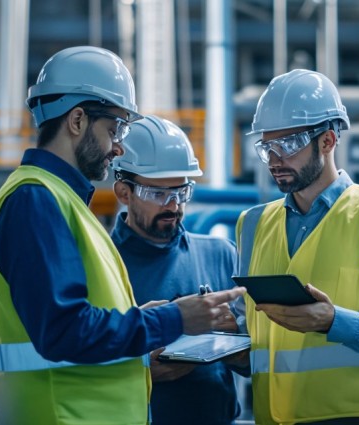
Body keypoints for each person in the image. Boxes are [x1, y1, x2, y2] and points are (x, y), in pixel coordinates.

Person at [0, 46, 245, 425]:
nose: (119, 146)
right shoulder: (35, 200)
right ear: (76, 120)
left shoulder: (62, 202)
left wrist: (141, 318)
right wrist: (173, 319)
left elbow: (69, 322)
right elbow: (63, 331)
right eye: (115, 129)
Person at [234, 69, 359, 425]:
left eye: (288, 144)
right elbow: (250, 326)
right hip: (271, 416)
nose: (274, 159)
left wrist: (336, 321)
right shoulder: (252, 224)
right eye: (267, 146)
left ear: (327, 141)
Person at [110, 115, 244, 425]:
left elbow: (258, 361)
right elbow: (76, 362)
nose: (173, 206)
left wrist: (235, 345)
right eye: (158, 194)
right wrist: (138, 370)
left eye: (181, 192)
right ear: (123, 192)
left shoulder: (221, 255)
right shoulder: (101, 262)